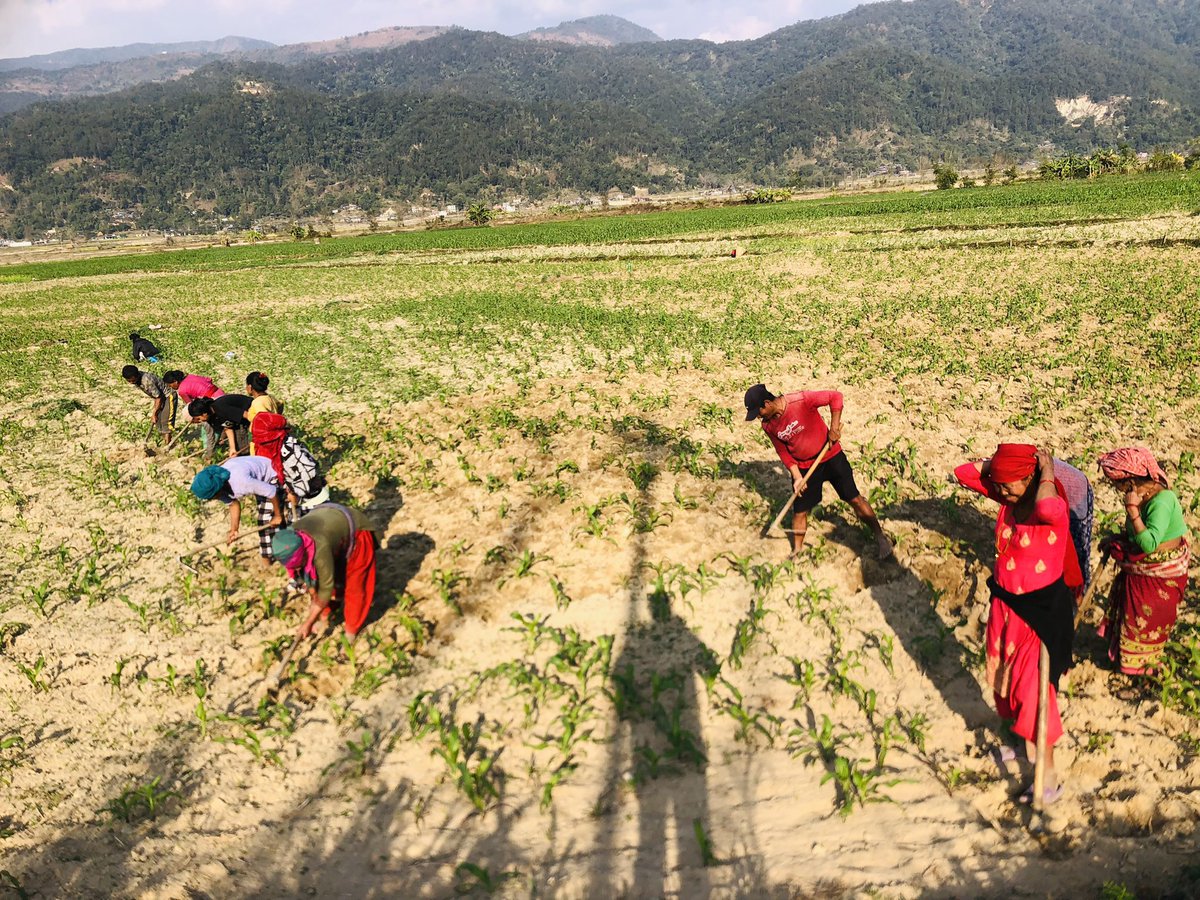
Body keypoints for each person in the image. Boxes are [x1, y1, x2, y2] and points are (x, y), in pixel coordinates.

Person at [955, 444, 1081, 805]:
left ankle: (1048, 777)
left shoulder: (1050, 509)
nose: (1003, 492)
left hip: (1039, 617)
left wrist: (1045, 472)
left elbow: (1045, 504)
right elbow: (963, 472)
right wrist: (1000, 467)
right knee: (1007, 686)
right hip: (1005, 609)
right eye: (1000, 486)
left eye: (1011, 485)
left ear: (1032, 479)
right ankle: (1021, 746)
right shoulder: (1010, 502)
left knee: (1035, 694)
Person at [744, 383, 891, 559]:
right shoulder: (768, 426)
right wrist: (797, 477)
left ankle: (881, 538)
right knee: (799, 512)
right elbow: (783, 452)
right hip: (805, 468)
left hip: (831, 457)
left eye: (758, 412)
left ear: (767, 403)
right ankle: (797, 551)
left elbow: (835, 397)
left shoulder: (801, 400)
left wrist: (834, 427)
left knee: (855, 499)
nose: (759, 418)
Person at [1097, 448, 1190, 689]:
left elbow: (1148, 544)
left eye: (1116, 484)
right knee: (1132, 618)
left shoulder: (1162, 501)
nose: (1115, 489)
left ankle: (1143, 675)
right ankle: (1130, 665)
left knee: (1146, 622)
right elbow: (1135, 536)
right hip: (1141, 570)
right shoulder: (1140, 497)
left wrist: (1133, 512)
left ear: (1129, 482)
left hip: (1159, 571)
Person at [270, 504, 378, 639]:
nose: (297, 569)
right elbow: (309, 578)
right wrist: (314, 605)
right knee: (327, 577)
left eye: (299, 564)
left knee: (355, 584)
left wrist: (308, 622)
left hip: (356, 530)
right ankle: (325, 617)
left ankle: (351, 631)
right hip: (330, 526)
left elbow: (326, 587)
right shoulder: (290, 541)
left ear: (303, 554)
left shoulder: (320, 549)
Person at [190, 458, 286, 568]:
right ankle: (280, 544)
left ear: (217, 490)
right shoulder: (220, 479)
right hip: (260, 479)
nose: (212, 499)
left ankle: (267, 561)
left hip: (273, 475)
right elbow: (233, 504)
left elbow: (271, 491)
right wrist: (234, 529)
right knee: (268, 514)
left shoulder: (241, 482)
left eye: (212, 497)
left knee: (265, 522)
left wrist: (278, 515)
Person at [252, 411, 330, 513]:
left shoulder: (290, 450)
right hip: (288, 494)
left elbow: (307, 475)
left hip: (310, 496)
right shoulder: (263, 448)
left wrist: (294, 493)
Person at [188, 395, 252, 461]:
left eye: (198, 419)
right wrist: (232, 448)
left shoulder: (220, 408)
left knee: (242, 446)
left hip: (251, 410)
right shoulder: (211, 416)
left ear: (204, 413)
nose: (200, 421)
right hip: (238, 419)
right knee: (238, 446)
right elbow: (228, 427)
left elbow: (247, 415)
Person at [122, 364, 176, 440]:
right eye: (129, 381)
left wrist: (154, 413)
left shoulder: (147, 380)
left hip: (168, 396)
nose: (131, 382)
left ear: (137, 376)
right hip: (159, 397)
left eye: (133, 380)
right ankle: (165, 441)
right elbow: (156, 396)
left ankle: (168, 446)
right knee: (158, 422)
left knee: (166, 422)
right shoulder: (137, 380)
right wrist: (156, 411)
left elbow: (158, 397)